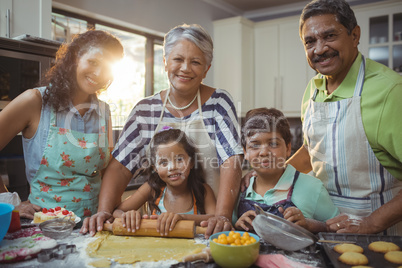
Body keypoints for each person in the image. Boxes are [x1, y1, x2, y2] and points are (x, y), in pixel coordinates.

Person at [81, 24, 243, 237]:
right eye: (178, 59)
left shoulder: (219, 102)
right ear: (165, 62)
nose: (185, 68)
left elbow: (231, 161)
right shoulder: (144, 110)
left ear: (207, 68)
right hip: (160, 231)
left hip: (210, 228)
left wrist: (221, 216)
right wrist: (104, 211)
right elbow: (120, 167)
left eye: (195, 62)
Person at [287, 0, 402, 235]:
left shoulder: (391, 91)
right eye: (310, 42)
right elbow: (313, 152)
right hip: (323, 225)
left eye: (329, 36)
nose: (319, 49)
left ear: (354, 35)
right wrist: (269, 174)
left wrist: (371, 224)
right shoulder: (313, 89)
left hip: (380, 234)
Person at [0, 30, 124, 219]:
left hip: (93, 225)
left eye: (107, 68)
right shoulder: (35, 101)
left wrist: (111, 210)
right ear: (75, 58)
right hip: (47, 226)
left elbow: (106, 172)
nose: (99, 74)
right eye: (93, 62)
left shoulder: (103, 111)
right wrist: (10, 202)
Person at [234, 108, 339, 234]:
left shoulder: (313, 188)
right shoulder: (239, 191)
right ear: (245, 152)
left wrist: (309, 225)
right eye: (255, 145)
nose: (264, 152)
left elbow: (335, 228)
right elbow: (231, 229)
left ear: (288, 148)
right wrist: (238, 227)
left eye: (273, 144)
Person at [113, 127, 216, 235]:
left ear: (191, 162)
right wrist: (128, 216)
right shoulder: (151, 189)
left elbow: (215, 218)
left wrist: (182, 217)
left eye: (179, 159)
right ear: (155, 169)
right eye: (163, 162)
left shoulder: (203, 190)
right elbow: (116, 212)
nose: (172, 167)